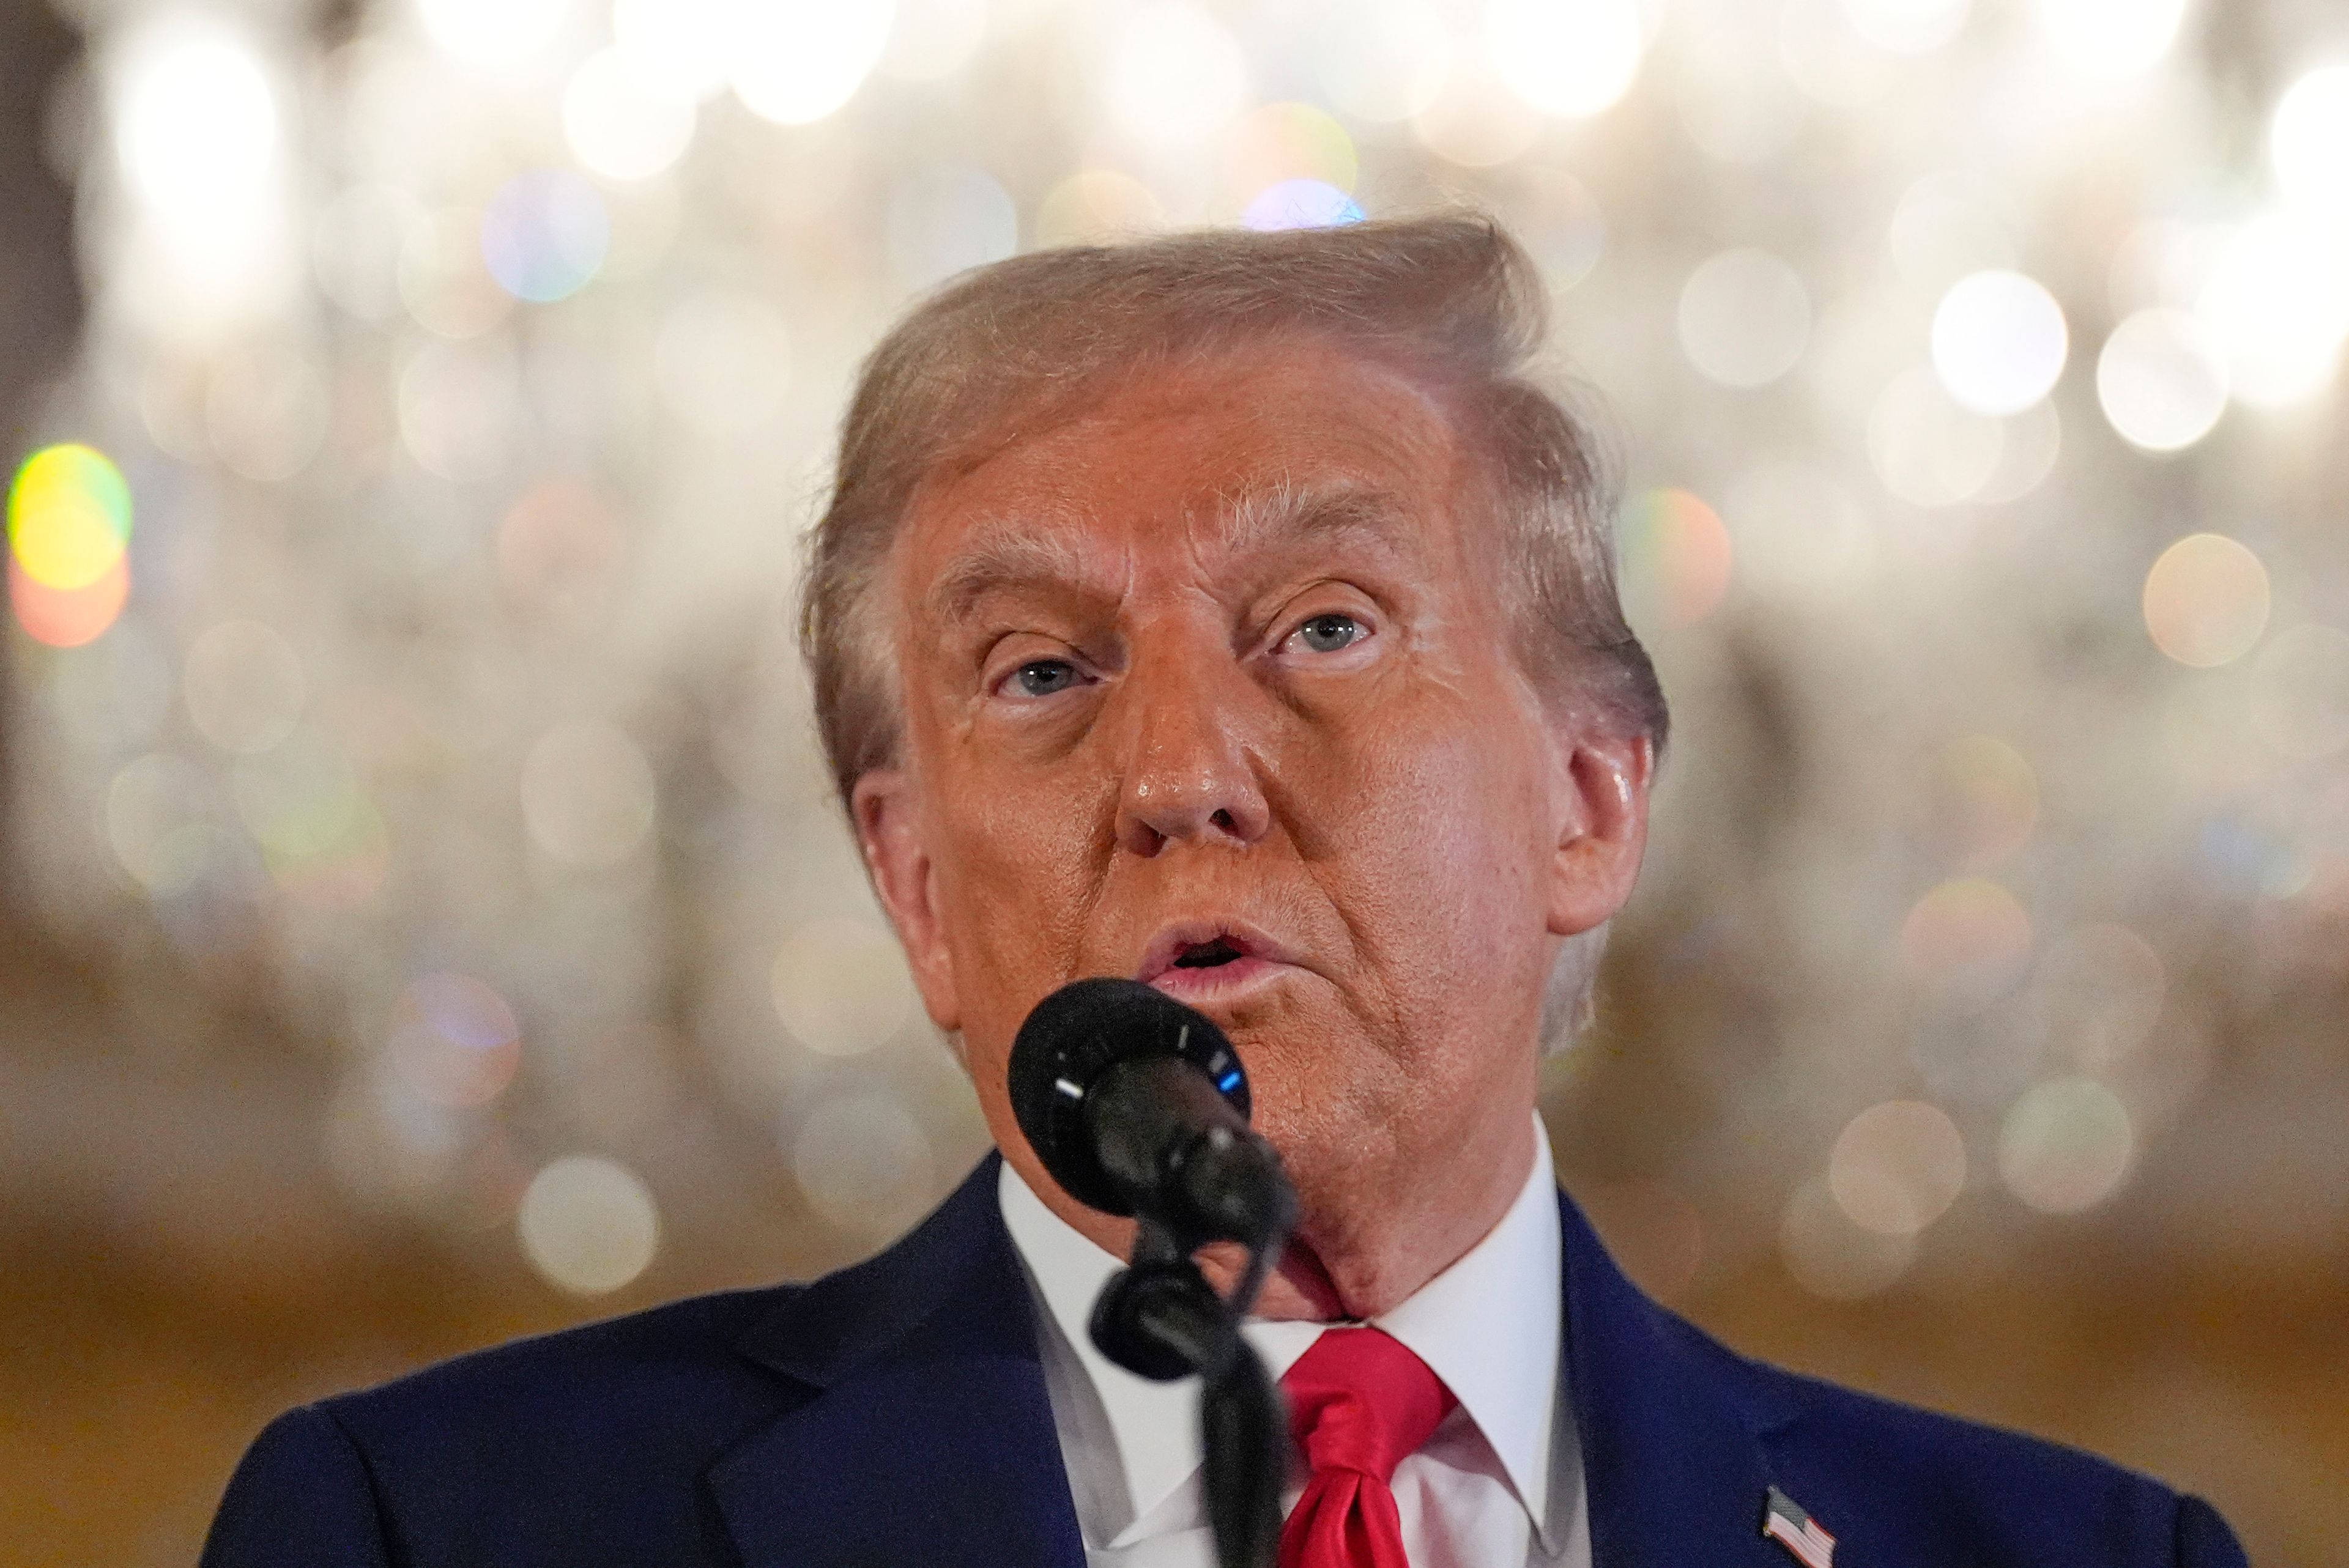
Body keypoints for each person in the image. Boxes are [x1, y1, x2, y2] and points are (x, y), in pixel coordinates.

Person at [202, 215, 2246, 1568]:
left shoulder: (2083, 1557)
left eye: (1328, 625)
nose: (1179, 772)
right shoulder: (438, 1524)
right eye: (1041, 672)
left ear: (1592, 799)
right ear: (914, 887)